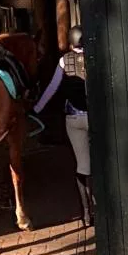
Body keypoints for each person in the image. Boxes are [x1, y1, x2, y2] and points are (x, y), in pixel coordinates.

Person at [33, 25, 93, 226]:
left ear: (71, 43)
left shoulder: (63, 61)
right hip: (96, 118)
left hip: (74, 118)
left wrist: (37, 109)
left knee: (82, 165)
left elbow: (52, 88)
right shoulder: (96, 56)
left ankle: (86, 213)